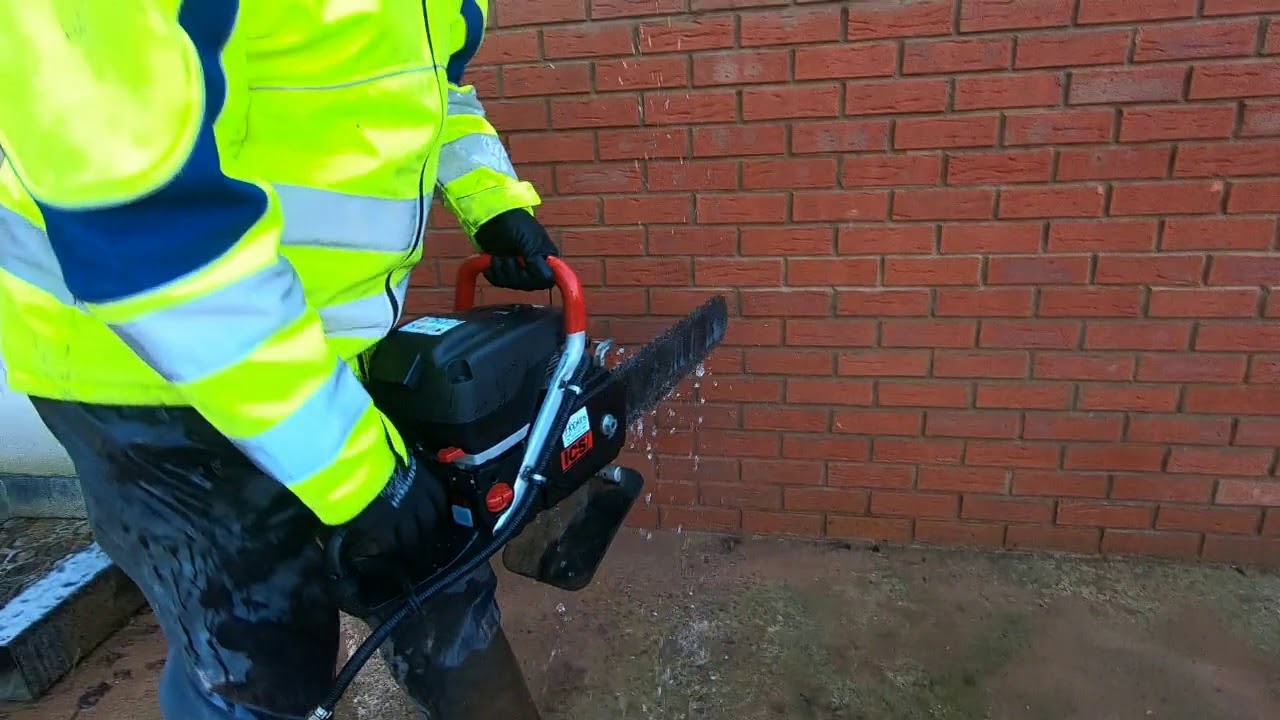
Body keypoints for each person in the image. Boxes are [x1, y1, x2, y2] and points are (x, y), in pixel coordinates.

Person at [0, 2, 555, 718]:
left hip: (331, 344)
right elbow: (143, 221)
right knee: (257, 658)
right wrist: (352, 468)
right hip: (151, 377)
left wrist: (491, 198)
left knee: (435, 567)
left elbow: (430, 89)